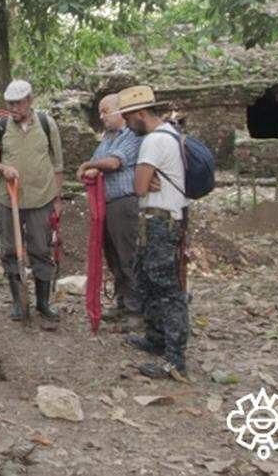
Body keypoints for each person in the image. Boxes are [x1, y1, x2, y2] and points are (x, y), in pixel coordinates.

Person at [116, 85, 190, 382]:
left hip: (160, 221)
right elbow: (145, 182)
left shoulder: (154, 141)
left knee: (168, 290)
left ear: (140, 113)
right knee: (148, 281)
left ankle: (175, 359)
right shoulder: (170, 134)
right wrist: (147, 179)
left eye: (127, 117)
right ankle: (156, 337)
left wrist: (145, 178)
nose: (126, 124)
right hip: (161, 219)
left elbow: (138, 186)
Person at [0, 79, 64, 327]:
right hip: (8, 200)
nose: (14, 108)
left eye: (19, 103)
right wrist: (3, 168)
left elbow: (57, 164)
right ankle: (18, 301)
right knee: (9, 250)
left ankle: (43, 303)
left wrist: (57, 199)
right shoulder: (1, 127)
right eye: (10, 103)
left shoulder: (46, 123)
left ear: (30, 100)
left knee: (41, 250)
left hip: (41, 199)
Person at [76, 93, 143, 321]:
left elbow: (114, 163)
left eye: (105, 111)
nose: (102, 117)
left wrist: (89, 165)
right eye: (100, 112)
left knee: (127, 256)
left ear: (119, 110)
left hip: (124, 203)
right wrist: (93, 167)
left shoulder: (132, 135)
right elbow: (99, 163)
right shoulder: (107, 139)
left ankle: (135, 309)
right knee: (113, 257)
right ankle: (122, 302)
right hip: (106, 204)